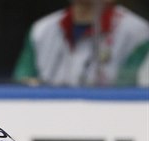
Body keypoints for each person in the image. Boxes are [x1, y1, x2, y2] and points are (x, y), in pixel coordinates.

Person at [13, 0, 149, 86]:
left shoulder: (138, 32)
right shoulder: (41, 29)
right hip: (47, 116)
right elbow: (21, 81)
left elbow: (134, 86)